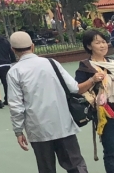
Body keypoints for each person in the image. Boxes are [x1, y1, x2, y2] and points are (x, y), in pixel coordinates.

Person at [7, 30, 89, 173]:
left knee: (46, 168)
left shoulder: (14, 72)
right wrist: (93, 79)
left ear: (13, 50)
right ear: (33, 46)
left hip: (38, 129)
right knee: (75, 164)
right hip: (63, 124)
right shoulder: (51, 63)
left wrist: (18, 131)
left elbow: (16, 106)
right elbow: (74, 88)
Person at [75, 29, 114, 173]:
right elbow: (77, 89)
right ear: (89, 46)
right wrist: (92, 80)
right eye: (97, 42)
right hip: (106, 116)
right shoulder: (85, 67)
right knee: (111, 153)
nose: (103, 45)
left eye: (104, 42)